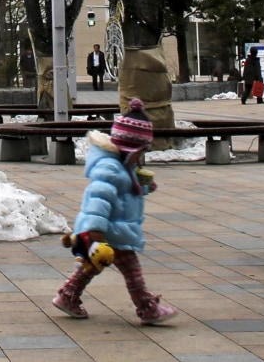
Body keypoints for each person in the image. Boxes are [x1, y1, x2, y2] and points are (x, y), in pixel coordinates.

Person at [52, 98, 178, 325]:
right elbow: (99, 198)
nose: (142, 157)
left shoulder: (123, 166)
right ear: (131, 148)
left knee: (90, 267)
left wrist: (144, 186)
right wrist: (96, 230)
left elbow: (124, 192)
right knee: (133, 273)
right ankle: (147, 308)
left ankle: (68, 295)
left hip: (112, 230)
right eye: (142, 151)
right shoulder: (109, 168)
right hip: (108, 232)